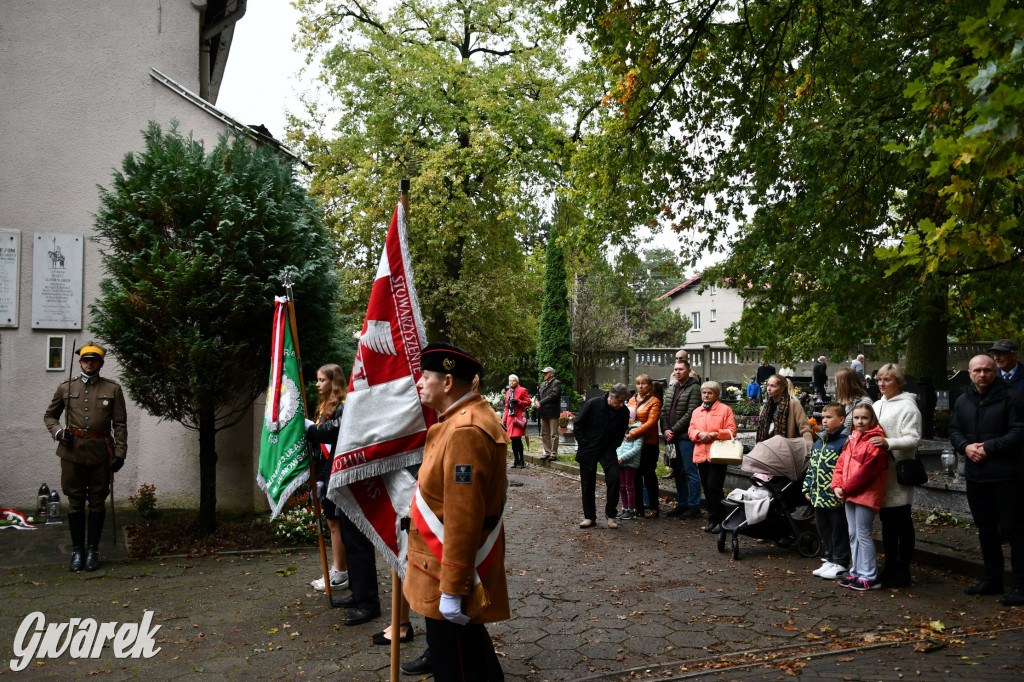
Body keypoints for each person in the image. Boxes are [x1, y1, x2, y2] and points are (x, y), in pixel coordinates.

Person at [405, 342, 509, 681]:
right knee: (470, 654)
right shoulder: (457, 420)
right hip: (442, 564)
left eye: (425, 376)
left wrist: (453, 587)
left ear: (448, 382)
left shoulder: (464, 429)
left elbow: (463, 517)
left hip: (446, 569)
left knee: (457, 666)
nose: (419, 383)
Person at [43, 344, 128, 573]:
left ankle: (92, 550)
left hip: (101, 453)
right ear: (80, 362)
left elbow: (119, 424)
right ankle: (77, 551)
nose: (89, 364)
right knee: (76, 501)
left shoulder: (113, 389)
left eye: (94, 360)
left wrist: (120, 452)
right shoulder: (66, 387)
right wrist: (59, 432)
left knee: (98, 501)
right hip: (72, 453)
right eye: (85, 360)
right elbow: (50, 416)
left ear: (100, 363)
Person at [949, 354, 1024, 606]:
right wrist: (965, 447)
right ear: (969, 373)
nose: (982, 375)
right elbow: (954, 430)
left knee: (1013, 531)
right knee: (986, 530)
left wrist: (990, 447)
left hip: (1006, 476)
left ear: (995, 372)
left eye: (987, 370)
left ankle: (1021, 586)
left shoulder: (1011, 398)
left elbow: (1018, 431)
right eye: (977, 371)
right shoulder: (962, 400)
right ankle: (992, 579)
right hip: (976, 477)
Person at [872, 363, 922, 589]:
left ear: (899, 382)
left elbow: (913, 439)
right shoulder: (876, 405)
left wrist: (888, 443)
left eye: (887, 379)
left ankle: (903, 570)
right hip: (880, 472)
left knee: (902, 521)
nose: (882, 383)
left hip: (898, 472)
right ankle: (889, 566)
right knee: (887, 524)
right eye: (879, 379)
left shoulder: (908, 407)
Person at [832, 404, 888, 591]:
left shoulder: (875, 442)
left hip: (865, 494)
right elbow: (841, 464)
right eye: (856, 418)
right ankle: (857, 571)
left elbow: (867, 472)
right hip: (849, 493)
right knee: (853, 533)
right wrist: (837, 485)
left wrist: (845, 488)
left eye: (864, 418)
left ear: (872, 419)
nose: (860, 421)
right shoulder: (853, 439)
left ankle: (870, 575)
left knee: (863, 533)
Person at [304, 364, 349, 594]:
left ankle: (340, 573)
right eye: (317, 379)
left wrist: (311, 429)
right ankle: (336, 569)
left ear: (334, 381)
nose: (317, 384)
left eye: (322, 380)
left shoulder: (342, 407)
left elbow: (334, 435)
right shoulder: (323, 407)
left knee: (335, 525)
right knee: (332, 524)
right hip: (324, 471)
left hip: (335, 473)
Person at [803, 403, 851, 581]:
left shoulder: (845, 442)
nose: (825, 421)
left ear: (841, 419)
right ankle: (830, 557)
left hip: (835, 497)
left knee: (838, 529)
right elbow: (811, 467)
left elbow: (846, 469)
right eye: (823, 418)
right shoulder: (818, 442)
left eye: (829, 417)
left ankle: (841, 561)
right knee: (824, 528)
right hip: (818, 496)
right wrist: (807, 487)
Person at [574, 383, 630, 529]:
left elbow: (622, 430)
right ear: (611, 397)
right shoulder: (593, 404)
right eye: (619, 401)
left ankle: (611, 514)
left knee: (614, 478)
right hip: (588, 449)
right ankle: (589, 517)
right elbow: (578, 425)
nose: (621, 404)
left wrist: (614, 446)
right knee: (587, 484)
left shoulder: (623, 412)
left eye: (624, 401)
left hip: (608, 450)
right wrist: (585, 443)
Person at [688, 381, 738, 533]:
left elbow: (732, 431)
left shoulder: (725, 410)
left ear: (716, 395)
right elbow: (691, 430)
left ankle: (721, 521)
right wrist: (698, 434)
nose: (706, 395)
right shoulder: (697, 411)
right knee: (707, 488)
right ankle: (712, 519)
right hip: (701, 454)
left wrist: (715, 434)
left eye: (710, 393)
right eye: (704, 392)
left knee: (714, 487)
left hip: (718, 455)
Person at [661, 360, 703, 520]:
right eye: (675, 369)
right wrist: (665, 430)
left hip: (685, 438)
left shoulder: (694, 389)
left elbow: (691, 412)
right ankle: (682, 503)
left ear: (688, 371)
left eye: (681, 369)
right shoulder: (672, 389)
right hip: (671, 440)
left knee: (690, 471)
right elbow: (664, 411)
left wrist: (673, 430)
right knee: (677, 470)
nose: (677, 372)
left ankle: (694, 507)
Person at [626, 375, 664, 518]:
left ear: (649, 386)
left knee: (649, 475)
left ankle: (654, 507)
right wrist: (627, 431)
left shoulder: (654, 401)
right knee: (635, 475)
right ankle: (638, 506)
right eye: (638, 384)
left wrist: (634, 432)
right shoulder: (632, 399)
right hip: (634, 443)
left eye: (643, 384)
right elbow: (627, 417)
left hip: (648, 443)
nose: (640, 386)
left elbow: (651, 422)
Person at [756, 375, 813, 446]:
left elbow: (805, 428)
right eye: (768, 385)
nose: (769, 389)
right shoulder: (766, 407)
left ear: (782, 388)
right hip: (767, 450)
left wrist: (810, 447)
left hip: (787, 450)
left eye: (773, 386)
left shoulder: (793, 404)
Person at [615, 414, 643, 520]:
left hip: (630, 462)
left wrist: (623, 457)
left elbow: (636, 448)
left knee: (629, 485)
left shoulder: (637, 430)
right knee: (621, 486)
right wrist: (617, 457)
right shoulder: (622, 430)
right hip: (620, 461)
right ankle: (624, 508)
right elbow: (618, 445)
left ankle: (631, 510)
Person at [503, 375, 530, 468]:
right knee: (513, 440)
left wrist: (518, 401)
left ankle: (522, 460)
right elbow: (506, 407)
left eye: (513, 381)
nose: (511, 382)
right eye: (510, 381)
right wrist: (504, 420)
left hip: (518, 418)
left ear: (517, 382)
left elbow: (528, 402)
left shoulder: (522, 390)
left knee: (518, 439)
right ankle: (516, 460)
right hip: (510, 418)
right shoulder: (508, 392)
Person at [535, 366, 562, 460]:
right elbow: (537, 395)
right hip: (543, 412)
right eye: (543, 373)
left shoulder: (556, 383)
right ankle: (547, 452)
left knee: (554, 434)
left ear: (552, 374)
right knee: (544, 433)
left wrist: (540, 402)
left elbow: (553, 395)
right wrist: (536, 401)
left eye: (546, 373)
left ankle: (553, 454)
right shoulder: (543, 384)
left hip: (552, 411)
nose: (544, 375)